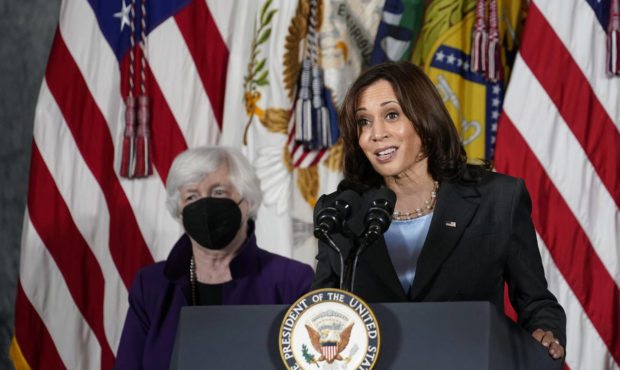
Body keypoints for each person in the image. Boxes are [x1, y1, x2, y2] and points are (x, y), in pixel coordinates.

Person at [311, 61, 566, 360]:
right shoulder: (342, 211)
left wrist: (545, 336)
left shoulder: (497, 199)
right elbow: (321, 309)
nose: (375, 133)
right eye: (363, 122)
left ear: (425, 120)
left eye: (391, 115)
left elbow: (536, 303)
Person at [114, 146, 314, 369]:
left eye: (219, 192)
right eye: (191, 196)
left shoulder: (293, 281)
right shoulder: (151, 285)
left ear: (246, 202)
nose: (204, 206)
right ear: (178, 209)